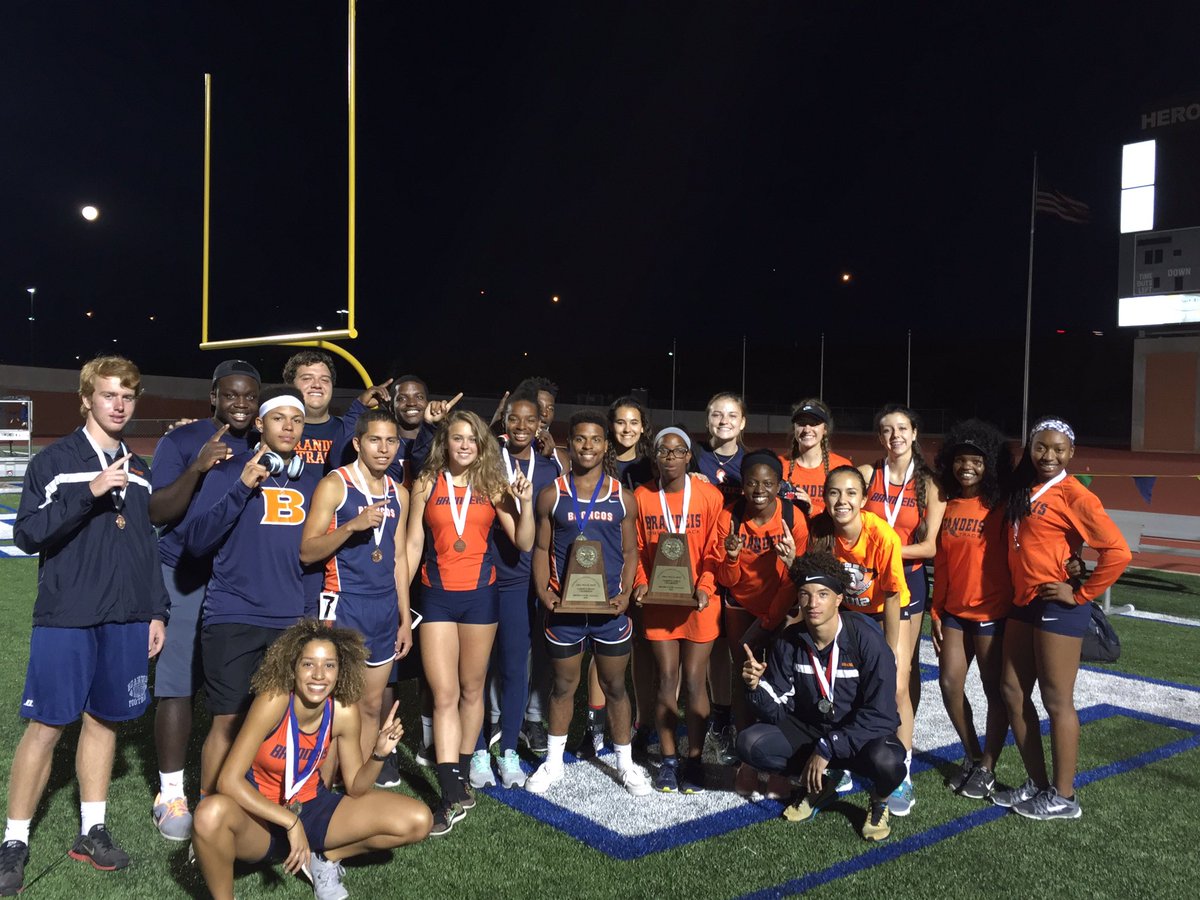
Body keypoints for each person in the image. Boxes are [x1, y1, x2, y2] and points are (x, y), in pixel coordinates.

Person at [0, 356, 168, 895]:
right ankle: (14, 840)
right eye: (109, 394)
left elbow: (145, 547)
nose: (119, 405)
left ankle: (91, 830)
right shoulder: (54, 461)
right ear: (86, 399)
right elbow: (27, 535)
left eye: (128, 396)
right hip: (68, 615)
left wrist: (157, 610)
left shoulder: (140, 469)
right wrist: (89, 491)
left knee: (105, 720)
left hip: (125, 616)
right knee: (47, 725)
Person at [191, 621, 431, 900]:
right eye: (308, 664)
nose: (319, 674)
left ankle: (325, 857)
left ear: (340, 670)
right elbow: (228, 781)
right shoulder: (274, 700)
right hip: (260, 819)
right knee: (208, 814)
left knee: (418, 820)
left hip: (311, 808)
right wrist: (290, 822)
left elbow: (356, 787)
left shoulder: (343, 712)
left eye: (329, 665)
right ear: (293, 667)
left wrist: (379, 753)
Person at [184, 386, 323, 803]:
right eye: (279, 418)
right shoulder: (228, 471)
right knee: (228, 722)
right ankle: (210, 815)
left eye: (297, 420)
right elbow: (196, 540)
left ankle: (266, 807)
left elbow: (313, 556)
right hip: (233, 615)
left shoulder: (311, 479)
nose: (289, 427)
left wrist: (309, 616)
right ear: (260, 423)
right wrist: (242, 487)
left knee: (278, 722)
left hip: (289, 619)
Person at [994, 417, 1131, 820]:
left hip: (1059, 605)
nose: (1048, 455)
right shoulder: (1025, 488)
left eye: (1058, 449)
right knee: (1012, 691)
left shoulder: (1074, 494)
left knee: (1056, 700)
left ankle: (1065, 797)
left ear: (1071, 453)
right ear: (1030, 448)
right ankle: (1038, 784)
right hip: (1024, 602)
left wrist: (1082, 593)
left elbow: (1118, 552)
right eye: (1040, 447)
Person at [404, 410, 533, 835]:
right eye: (457, 438)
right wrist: (401, 602)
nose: (464, 445)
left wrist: (525, 503)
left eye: (471, 439)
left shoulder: (492, 483)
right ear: (445, 442)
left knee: (472, 689)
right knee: (444, 693)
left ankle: (459, 771)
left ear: (481, 446)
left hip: (481, 596)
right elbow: (413, 542)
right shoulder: (426, 481)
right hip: (437, 596)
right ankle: (448, 789)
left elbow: (524, 541)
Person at [147, 359, 261, 841]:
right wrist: (196, 467)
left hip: (239, 579)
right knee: (178, 682)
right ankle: (171, 792)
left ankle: (239, 780)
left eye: (249, 396)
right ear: (213, 395)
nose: (240, 403)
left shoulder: (265, 441)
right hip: (185, 572)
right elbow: (157, 511)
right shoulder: (182, 440)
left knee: (238, 686)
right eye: (230, 394)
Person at [737, 552, 905, 842]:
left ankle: (880, 802)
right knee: (750, 743)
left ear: (839, 598)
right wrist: (756, 686)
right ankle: (818, 787)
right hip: (813, 728)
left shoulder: (866, 639)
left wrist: (829, 746)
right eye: (805, 594)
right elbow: (778, 710)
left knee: (889, 761)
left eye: (822, 594)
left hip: (859, 733)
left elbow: (882, 715)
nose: (812, 603)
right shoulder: (789, 640)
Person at [526, 411, 650, 798]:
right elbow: (541, 547)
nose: (587, 446)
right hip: (564, 610)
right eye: (580, 439)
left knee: (615, 686)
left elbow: (630, 551)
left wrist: (626, 592)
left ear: (605, 445)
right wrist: (543, 591)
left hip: (608, 610)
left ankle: (625, 764)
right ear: (571, 442)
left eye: (595, 439)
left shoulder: (622, 497)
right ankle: (553, 762)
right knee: (563, 686)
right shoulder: (552, 494)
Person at [300, 408, 413, 788]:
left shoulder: (399, 493)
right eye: (375, 440)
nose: (384, 449)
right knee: (335, 705)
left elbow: (399, 558)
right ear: (357, 442)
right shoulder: (336, 484)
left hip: (384, 610)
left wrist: (404, 620)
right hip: (344, 603)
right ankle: (319, 791)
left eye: (391, 441)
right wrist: (352, 526)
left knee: (370, 705)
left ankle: (356, 791)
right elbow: (308, 551)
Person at [471, 390, 560, 789]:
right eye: (514, 419)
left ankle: (508, 749)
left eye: (530, 420)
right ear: (504, 421)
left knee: (514, 665)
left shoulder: (550, 466)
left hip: (522, 578)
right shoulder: (487, 461)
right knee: (475, 669)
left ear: (541, 424)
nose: (521, 426)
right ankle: (476, 748)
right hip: (481, 573)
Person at [859, 404, 946, 815]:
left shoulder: (930, 483)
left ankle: (902, 772)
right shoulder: (866, 474)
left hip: (906, 585)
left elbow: (929, 548)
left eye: (902, 428)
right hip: (865, 585)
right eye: (886, 430)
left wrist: (885, 551)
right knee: (858, 676)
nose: (895, 435)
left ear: (914, 434)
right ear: (880, 437)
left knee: (897, 682)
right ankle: (851, 756)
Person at [631, 427, 723, 792]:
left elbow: (715, 549)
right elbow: (637, 549)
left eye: (678, 451)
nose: (671, 457)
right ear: (655, 457)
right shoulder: (641, 497)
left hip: (700, 602)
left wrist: (705, 586)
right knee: (667, 677)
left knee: (696, 679)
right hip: (660, 602)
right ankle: (669, 760)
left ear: (688, 457)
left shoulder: (709, 495)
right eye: (663, 451)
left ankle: (695, 760)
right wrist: (641, 582)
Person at [931, 420, 1014, 800]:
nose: (967, 467)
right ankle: (972, 754)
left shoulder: (1001, 506)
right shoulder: (948, 505)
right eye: (960, 460)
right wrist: (936, 610)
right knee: (950, 683)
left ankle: (988, 767)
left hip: (991, 613)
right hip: (954, 612)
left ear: (990, 465)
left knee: (994, 691)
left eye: (977, 461)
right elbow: (943, 563)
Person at [714, 450, 808, 783]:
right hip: (741, 605)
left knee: (782, 681)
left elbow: (796, 579)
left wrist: (769, 620)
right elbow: (727, 580)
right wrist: (732, 557)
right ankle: (748, 759)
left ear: (779, 486)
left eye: (768, 483)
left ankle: (781, 760)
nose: (759, 490)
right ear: (742, 485)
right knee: (744, 678)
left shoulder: (793, 518)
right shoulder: (729, 517)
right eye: (752, 482)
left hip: (780, 607)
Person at [692, 391, 749, 762]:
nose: (724, 421)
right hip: (702, 560)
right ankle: (720, 715)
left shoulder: (752, 462)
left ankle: (744, 718)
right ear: (708, 419)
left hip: (739, 560)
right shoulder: (693, 455)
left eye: (731, 415)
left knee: (738, 645)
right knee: (711, 644)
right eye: (717, 414)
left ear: (742, 422)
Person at [778, 398, 853, 515]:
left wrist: (812, 509)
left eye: (814, 423)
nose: (807, 429)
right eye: (801, 423)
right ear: (794, 428)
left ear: (825, 429)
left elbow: (848, 512)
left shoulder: (842, 467)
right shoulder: (779, 465)